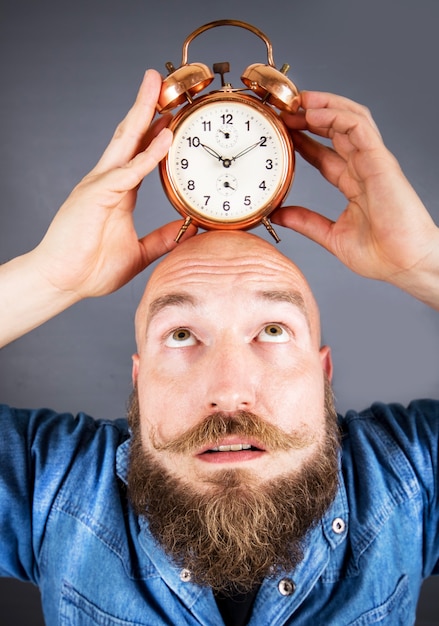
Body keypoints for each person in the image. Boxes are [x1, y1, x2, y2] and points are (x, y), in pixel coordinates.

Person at [0, 68, 438, 625]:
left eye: (273, 331)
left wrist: (425, 264)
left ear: (323, 372)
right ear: (138, 378)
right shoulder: (51, 486)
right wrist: (48, 278)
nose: (229, 392)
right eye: (182, 336)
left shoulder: (411, 478)